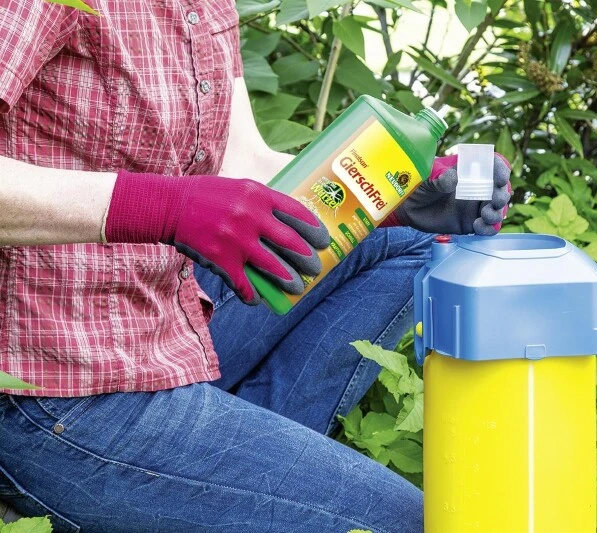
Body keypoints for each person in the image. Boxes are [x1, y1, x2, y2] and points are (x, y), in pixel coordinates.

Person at [0, 1, 511, 531]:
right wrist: (165, 208)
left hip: (158, 320)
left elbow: (241, 163)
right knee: (410, 524)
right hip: (54, 383)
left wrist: (390, 203)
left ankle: (244, 481)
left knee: (403, 241)